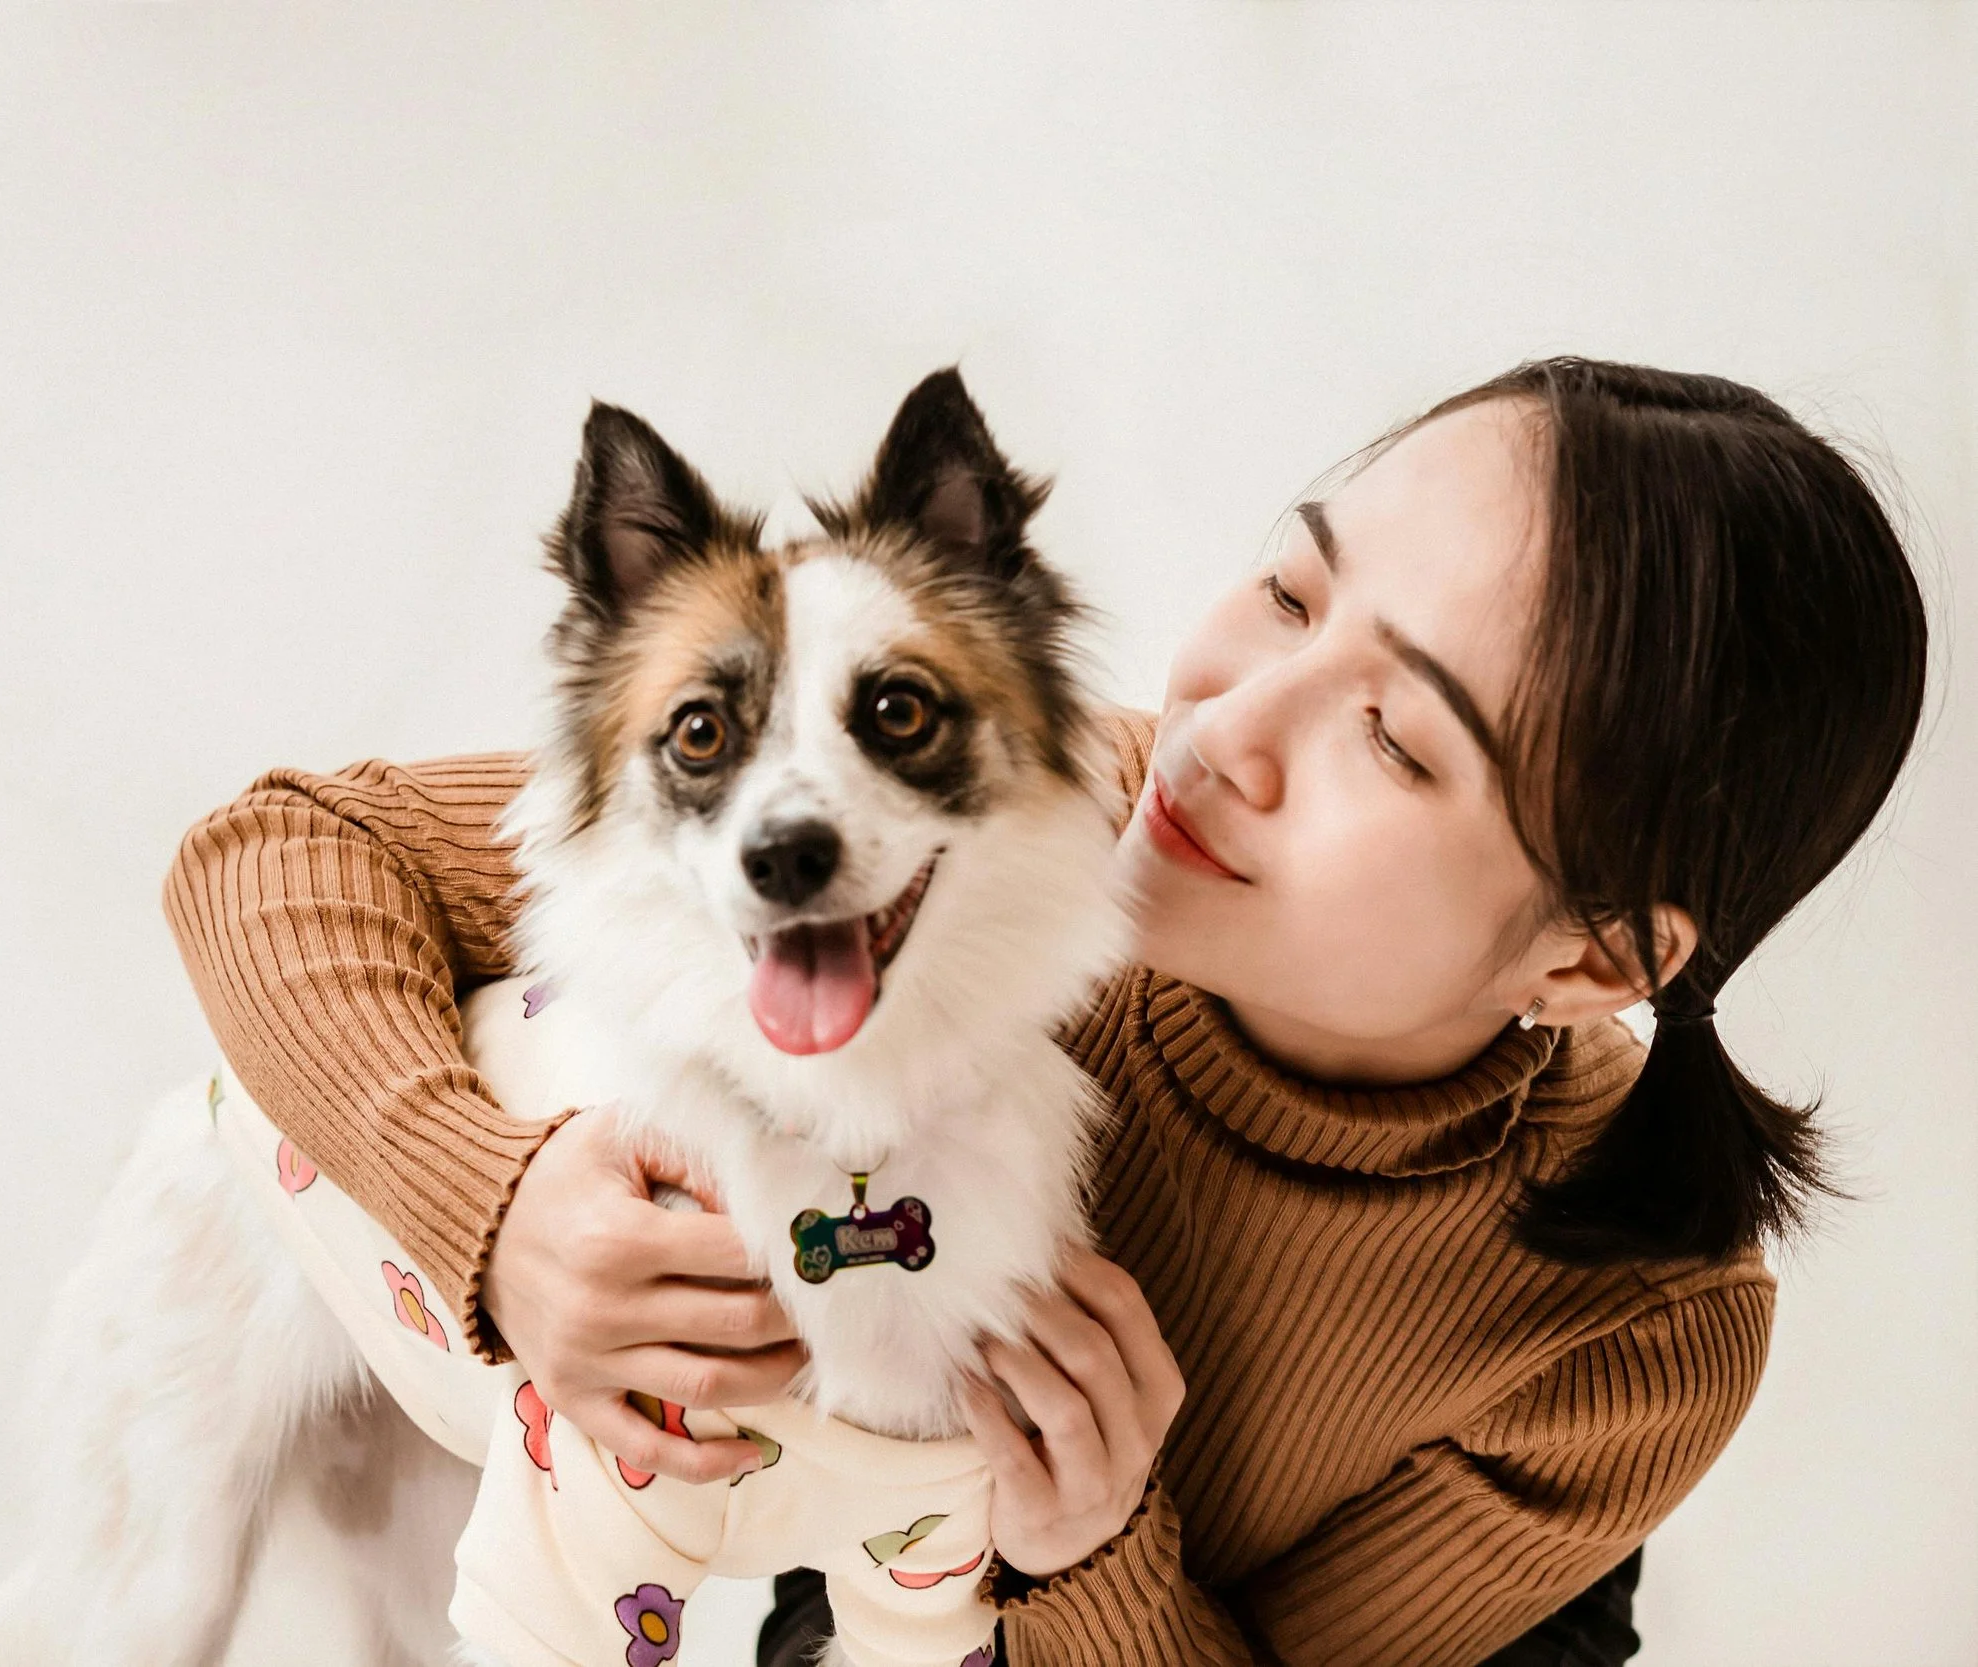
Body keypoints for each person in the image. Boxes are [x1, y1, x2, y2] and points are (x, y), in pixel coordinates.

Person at [160, 359, 1929, 1666]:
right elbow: (280, 850)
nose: (1227, 728)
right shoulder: (1007, 823)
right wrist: (500, 1203)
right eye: (1295, 589)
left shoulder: (1623, 1342)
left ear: (1595, 957)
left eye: (1396, 739)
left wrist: (1094, 1556)